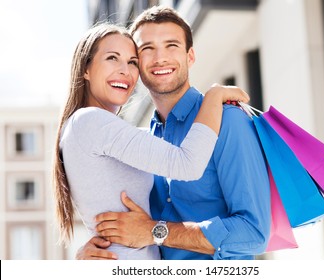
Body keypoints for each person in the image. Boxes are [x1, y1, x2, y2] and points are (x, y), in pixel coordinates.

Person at [77, 6, 271, 260]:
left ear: (190, 56)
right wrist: (88, 252)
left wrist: (155, 231)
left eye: (171, 45)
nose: (160, 58)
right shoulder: (142, 141)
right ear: (136, 64)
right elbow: (123, 221)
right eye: (147, 49)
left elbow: (254, 233)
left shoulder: (228, 120)